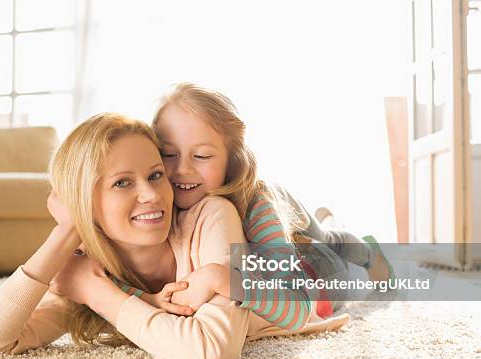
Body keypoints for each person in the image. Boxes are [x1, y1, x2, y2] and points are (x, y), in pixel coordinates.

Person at [0, 113, 350, 359]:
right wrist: (63, 236)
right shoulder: (87, 271)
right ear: (84, 205)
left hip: (307, 266)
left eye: (155, 175)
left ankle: (328, 222)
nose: (151, 195)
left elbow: (212, 351)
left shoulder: (213, 216)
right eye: (123, 183)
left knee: (343, 256)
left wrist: (100, 296)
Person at [109, 83, 394, 320]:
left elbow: (299, 303)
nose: (182, 169)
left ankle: (369, 252)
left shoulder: (256, 208)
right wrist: (149, 299)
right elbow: (116, 280)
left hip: (313, 268)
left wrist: (226, 280)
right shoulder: (151, 204)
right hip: (283, 241)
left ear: (230, 161)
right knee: (320, 231)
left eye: (202, 156)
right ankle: (326, 219)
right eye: (169, 154)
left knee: (330, 241)